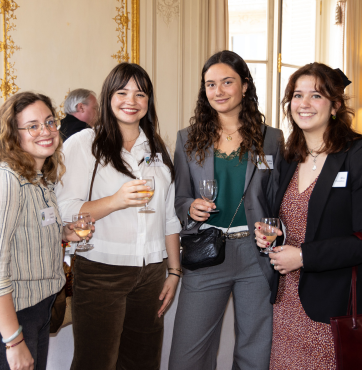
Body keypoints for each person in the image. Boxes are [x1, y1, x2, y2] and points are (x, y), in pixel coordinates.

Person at [55, 62, 181, 370]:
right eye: (122, 92)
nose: (131, 100)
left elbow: (168, 215)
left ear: (148, 102)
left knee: (143, 362)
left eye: (140, 94)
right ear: (109, 96)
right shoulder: (85, 144)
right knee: (95, 362)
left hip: (151, 272)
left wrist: (174, 271)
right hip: (101, 270)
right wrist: (115, 201)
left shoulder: (157, 148)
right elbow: (65, 209)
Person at [169, 50, 284, 370]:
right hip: (206, 249)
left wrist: (277, 233)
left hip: (256, 255)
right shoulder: (187, 139)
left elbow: (280, 199)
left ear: (245, 86)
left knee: (255, 350)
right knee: (187, 355)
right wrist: (190, 207)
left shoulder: (271, 138)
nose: (218, 91)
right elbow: (178, 200)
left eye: (227, 82)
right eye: (210, 85)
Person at [255, 62, 362, 369]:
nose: (303, 104)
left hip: (334, 307)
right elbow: (294, 223)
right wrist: (272, 236)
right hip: (286, 303)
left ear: (335, 105)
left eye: (315, 95)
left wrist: (303, 256)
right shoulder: (289, 158)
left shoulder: (356, 155)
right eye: (297, 95)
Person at [0, 92, 92, 370]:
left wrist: (63, 232)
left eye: (49, 122)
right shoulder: (6, 178)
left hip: (40, 307)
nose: (45, 131)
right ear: (13, 134)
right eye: (33, 126)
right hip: (13, 314)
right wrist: (13, 340)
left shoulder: (40, 177)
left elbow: (26, 229)